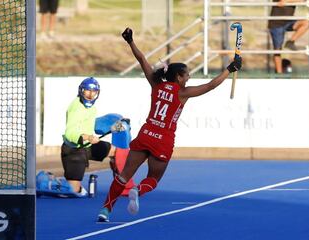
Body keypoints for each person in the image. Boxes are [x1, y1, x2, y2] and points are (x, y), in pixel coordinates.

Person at [97, 27, 242, 222]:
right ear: (179, 77)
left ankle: (105, 211)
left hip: (146, 133)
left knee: (123, 176)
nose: (189, 77)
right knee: (154, 179)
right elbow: (210, 86)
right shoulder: (182, 93)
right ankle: (138, 190)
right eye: (187, 75)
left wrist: (130, 41)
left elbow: (142, 60)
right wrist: (229, 69)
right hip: (163, 139)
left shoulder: (156, 84)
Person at [61, 77, 116, 195]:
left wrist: (112, 125)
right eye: (87, 91)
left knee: (116, 152)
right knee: (73, 191)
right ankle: (53, 183)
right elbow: (70, 133)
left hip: (88, 146)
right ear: (81, 91)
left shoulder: (92, 108)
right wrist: (89, 137)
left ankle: (121, 184)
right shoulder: (75, 107)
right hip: (74, 151)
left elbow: (88, 123)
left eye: (94, 91)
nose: (90, 95)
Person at [268, 0, 309, 73]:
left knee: (306, 23)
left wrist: (287, 1)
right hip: (276, 23)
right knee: (277, 49)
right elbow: (280, 1)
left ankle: (290, 42)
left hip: (288, 21)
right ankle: (279, 73)